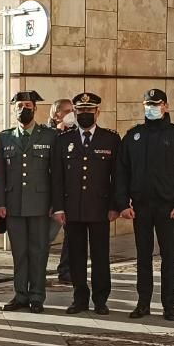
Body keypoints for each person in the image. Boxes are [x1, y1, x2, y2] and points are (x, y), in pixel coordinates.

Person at [116, 89, 174, 322]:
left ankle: (168, 306)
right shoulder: (133, 136)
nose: (151, 108)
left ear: (166, 107)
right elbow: (121, 172)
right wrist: (122, 203)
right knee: (143, 258)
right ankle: (143, 304)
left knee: (168, 257)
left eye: (156, 104)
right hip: (140, 207)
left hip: (168, 208)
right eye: (148, 104)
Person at [51, 92, 119, 315]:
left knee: (100, 256)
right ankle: (80, 298)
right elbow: (57, 178)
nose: (85, 115)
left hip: (100, 209)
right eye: (80, 111)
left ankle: (101, 300)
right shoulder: (63, 140)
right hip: (73, 210)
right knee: (77, 257)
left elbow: (117, 176)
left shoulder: (110, 139)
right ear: (75, 113)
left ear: (97, 112)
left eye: (89, 111)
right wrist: (58, 207)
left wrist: (115, 206)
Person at [0, 90, 57, 312]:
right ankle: (20, 295)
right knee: (19, 252)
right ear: (14, 109)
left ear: (35, 108)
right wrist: (0, 203)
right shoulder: (5, 137)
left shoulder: (49, 136)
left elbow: (55, 173)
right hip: (14, 205)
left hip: (41, 204)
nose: (24, 109)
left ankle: (37, 296)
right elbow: (0, 173)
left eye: (28, 105)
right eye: (19, 105)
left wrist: (55, 203)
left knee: (38, 252)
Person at [48, 97, 76, 285]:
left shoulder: (75, 132)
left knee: (72, 235)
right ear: (57, 114)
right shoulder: (47, 133)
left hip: (71, 193)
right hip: (51, 195)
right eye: (67, 111)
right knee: (47, 236)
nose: (71, 114)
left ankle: (66, 270)